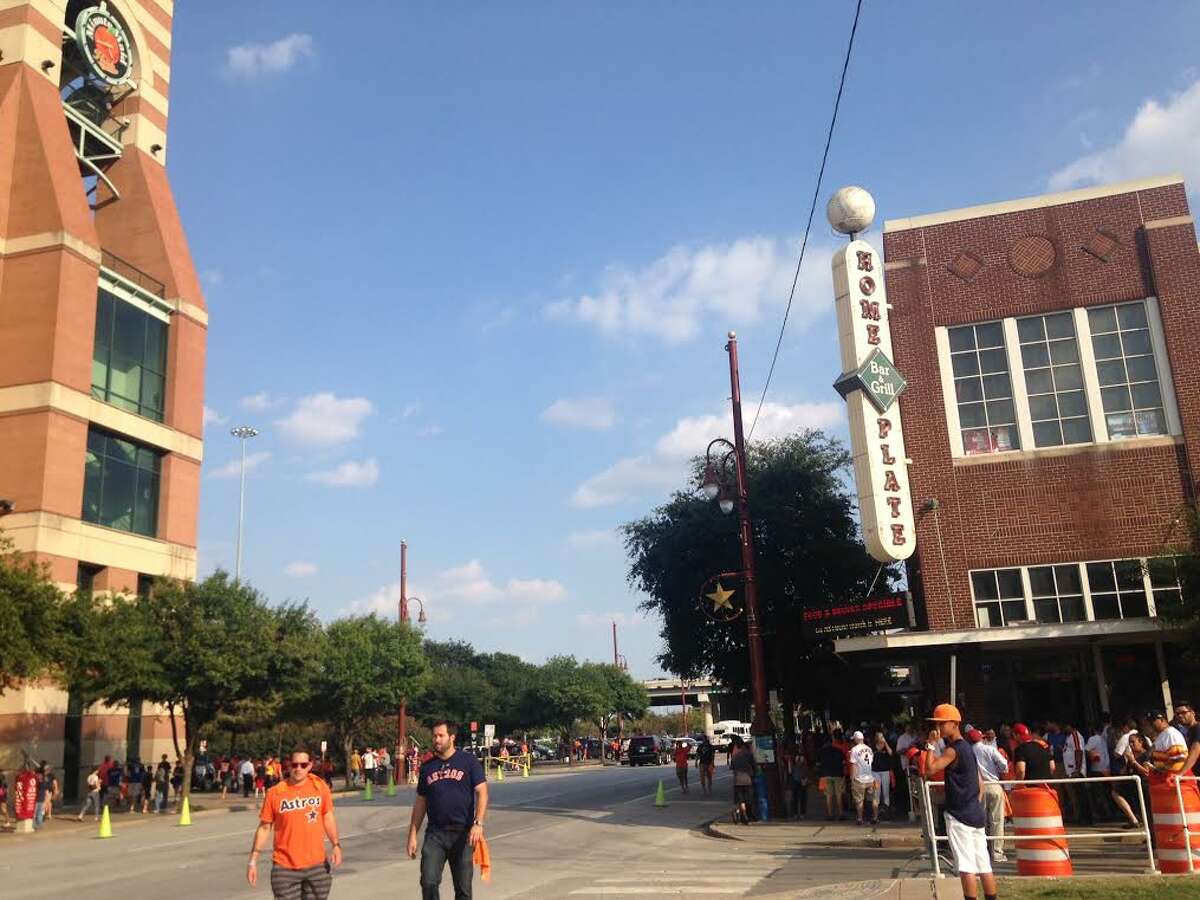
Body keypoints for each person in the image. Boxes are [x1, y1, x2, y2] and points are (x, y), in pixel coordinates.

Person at [923, 704, 998, 900]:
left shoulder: (953, 750)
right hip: (974, 812)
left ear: (955, 724)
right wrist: (973, 802)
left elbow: (929, 770)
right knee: (983, 864)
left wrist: (930, 745)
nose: (938, 727)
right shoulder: (968, 749)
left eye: (941, 723)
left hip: (959, 814)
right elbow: (980, 783)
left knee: (966, 866)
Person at [407, 721, 488, 900]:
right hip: (435, 834)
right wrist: (413, 834)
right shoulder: (428, 768)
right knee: (428, 881)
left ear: (452, 737)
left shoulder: (468, 762)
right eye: (434, 736)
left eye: (441, 736)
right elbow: (421, 802)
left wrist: (478, 823)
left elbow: (482, 792)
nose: (436, 739)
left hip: (463, 834)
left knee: (463, 889)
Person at [247, 747, 341, 900]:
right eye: (295, 764)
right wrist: (253, 861)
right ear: (288, 765)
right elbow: (264, 828)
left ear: (310, 766)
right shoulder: (275, 793)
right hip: (285, 868)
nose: (299, 769)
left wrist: (336, 845)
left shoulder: (320, 787)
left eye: (303, 765)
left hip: (317, 866)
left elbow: (328, 817)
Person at [971, 729, 1009, 863]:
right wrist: (997, 769)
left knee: (981, 821)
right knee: (997, 821)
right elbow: (1004, 765)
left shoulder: (969, 752)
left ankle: (982, 851)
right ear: (982, 738)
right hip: (993, 785)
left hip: (977, 787)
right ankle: (997, 853)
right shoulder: (990, 749)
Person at [1147, 710, 1188, 776]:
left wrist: (1160, 767)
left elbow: (1179, 757)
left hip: (1173, 779)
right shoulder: (1162, 735)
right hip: (1163, 779)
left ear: (1162, 720)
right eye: (1149, 722)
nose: (1151, 724)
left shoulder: (1170, 733)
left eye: (1153, 721)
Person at [848, 731, 876, 826]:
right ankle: (875, 817)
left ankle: (860, 818)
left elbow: (853, 765)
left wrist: (852, 778)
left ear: (856, 739)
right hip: (870, 777)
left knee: (859, 800)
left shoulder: (854, 750)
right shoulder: (869, 749)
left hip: (859, 778)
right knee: (872, 799)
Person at [817, 734, 847, 821]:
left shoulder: (820, 752)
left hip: (825, 775)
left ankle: (830, 814)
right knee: (839, 795)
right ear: (832, 742)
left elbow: (818, 765)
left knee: (828, 795)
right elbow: (844, 763)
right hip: (838, 774)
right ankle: (841, 813)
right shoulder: (838, 751)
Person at [728, 736, 755, 825]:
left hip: (737, 780)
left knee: (741, 800)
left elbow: (732, 767)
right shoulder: (748, 754)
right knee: (749, 799)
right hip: (747, 780)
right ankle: (747, 815)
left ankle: (743, 816)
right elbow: (753, 765)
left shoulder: (735, 756)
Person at [871, 732, 895, 820]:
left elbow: (891, 753)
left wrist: (885, 743)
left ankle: (886, 813)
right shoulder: (872, 747)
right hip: (875, 773)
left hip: (885, 772)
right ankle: (876, 815)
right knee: (876, 793)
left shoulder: (886, 746)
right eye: (879, 737)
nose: (880, 738)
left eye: (882, 737)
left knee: (886, 792)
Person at [1175, 702, 1200, 778]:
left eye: (1183, 712)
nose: (1180, 716)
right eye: (1177, 714)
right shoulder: (1188, 731)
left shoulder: (1198, 728)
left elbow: (1195, 752)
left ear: (1192, 713)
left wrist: (1180, 774)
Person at [788, 748, 810, 819]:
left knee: (802, 798)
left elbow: (807, 773)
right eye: (798, 756)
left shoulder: (804, 764)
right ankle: (796, 813)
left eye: (801, 757)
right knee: (795, 798)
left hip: (802, 781)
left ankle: (801, 813)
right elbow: (790, 771)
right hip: (795, 781)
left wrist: (806, 779)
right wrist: (789, 762)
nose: (799, 758)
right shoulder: (794, 763)